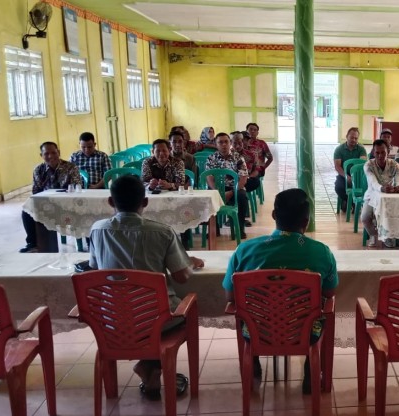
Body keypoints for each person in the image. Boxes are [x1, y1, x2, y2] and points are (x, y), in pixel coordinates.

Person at [89, 175, 205, 400]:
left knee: (141, 313)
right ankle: (151, 366)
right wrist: (189, 262)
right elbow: (181, 277)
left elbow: (94, 267)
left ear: (111, 202)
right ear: (145, 202)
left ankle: (150, 368)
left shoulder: (97, 230)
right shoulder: (162, 232)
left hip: (113, 319)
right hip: (156, 319)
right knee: (170, 313)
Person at [222, 188, 337, 394]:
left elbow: (230, 296)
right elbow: (329, 294)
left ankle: (253, 362)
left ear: (274, 215)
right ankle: (311, 369)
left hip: (257, 331)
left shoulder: (245, 250)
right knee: (322, 313)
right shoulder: (322, 252)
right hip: (305, 332)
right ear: (306, 221)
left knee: (248, 312)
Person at [20, 142, 83, 253]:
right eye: (46, 154)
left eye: (53, 153)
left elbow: (76, 187)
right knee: (27, 211)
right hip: (46, 204)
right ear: (41, 155)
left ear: (58, 152)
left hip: (67, 203)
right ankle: (33, 243)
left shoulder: (70, 167)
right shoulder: (38, 170)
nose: (50, 156)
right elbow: (36, 191)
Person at [205, 132, 251, 237]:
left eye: (226, 142)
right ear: (216, 144)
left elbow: (243, 178)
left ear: (230, 143)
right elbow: (209, 178)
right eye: (220, 142)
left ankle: (240, 228)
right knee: (208, 197)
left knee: (242, 197)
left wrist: (232, 192)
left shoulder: (238, 158)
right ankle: (214, 229)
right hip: (216, 188)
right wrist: (218, 192)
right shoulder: (211, 158)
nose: (224, 145)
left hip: (235, 188)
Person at [361, 139, 399, 248]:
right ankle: (374, 235)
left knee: (394, 215)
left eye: (383, 152)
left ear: (388, 152)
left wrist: (398, 187)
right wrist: (382, 188)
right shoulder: (368, 165)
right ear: (373, 153)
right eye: (377, 153)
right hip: (372, 195)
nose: (380, 156)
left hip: (389, 197)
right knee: (365, 217)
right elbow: (373, 182)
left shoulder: (395, 165)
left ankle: (388, 236)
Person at [333, 127, 367, 212]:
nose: (354, 140)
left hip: (358, 176)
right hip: (344, 174)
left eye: (356, 138)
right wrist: (346, 177)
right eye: (351, 137)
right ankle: (352, 202)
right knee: (338, 187)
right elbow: (337, 166)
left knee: (367, 187)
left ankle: (350, 202)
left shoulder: (361, 149)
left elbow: (362, 164)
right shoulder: (339, 149)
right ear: (347, 136)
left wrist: (354, 177)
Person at [232, 130, 262, 200]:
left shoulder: (252, 154)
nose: (237, 146)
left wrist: (248, 177)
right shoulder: (228, 154)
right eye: (234, 143)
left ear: (243, 142)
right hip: (231, 180)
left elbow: (256, 170)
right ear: (230, 143)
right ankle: (236, 194)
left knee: (256, 181)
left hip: (246, 179)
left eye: (240, 143)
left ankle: (234, 194)